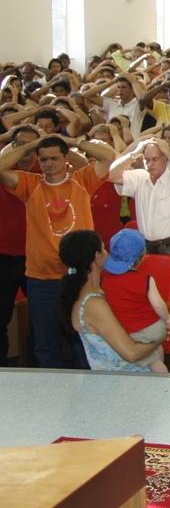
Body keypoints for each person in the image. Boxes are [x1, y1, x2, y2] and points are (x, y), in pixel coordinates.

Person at [0, 134, 114, 368]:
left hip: (78, 277)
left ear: (66, 159)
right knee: (45, 344)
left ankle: (88, 394)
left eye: (54, 158)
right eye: (43, 159)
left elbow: (109, 156)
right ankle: (51, 398)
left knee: (83, 341)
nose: (48, 163)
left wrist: (72, 141)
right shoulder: (29, 184)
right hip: (41, 278)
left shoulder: (82, 181)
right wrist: (32, 145)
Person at [56, 230, 162, 372]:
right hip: (124, 382)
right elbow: (131, 353)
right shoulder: (94, 304)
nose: (107, 253)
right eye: (103, 248)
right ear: (97, 256)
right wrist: (159, 339)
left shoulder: (83, 293)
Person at [99, 227, 170, 373]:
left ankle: (161, 383)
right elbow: (158, 305)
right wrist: (167, 319)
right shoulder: (145, 279)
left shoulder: (105, 278)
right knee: (156, 356)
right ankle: (164, 385)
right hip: (151, 328)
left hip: (127, 329)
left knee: (152, 361)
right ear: (142, 255)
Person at [108, 137, 170, 262]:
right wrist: (134, 153)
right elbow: (110, 175)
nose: (150, 164)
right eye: (146, 160)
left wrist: (167, 150)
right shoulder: (139, 177)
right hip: (145, 246)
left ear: (165, 159)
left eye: (155, 159)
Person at [0, 125, 38, 366]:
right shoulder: (5, 171)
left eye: (31, 147)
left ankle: (35, 373)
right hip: (2, 258)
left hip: (35, 261)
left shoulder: (47, 171)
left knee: (39, 323)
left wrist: (41, 143)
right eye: (20, 146)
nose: (26, 154)